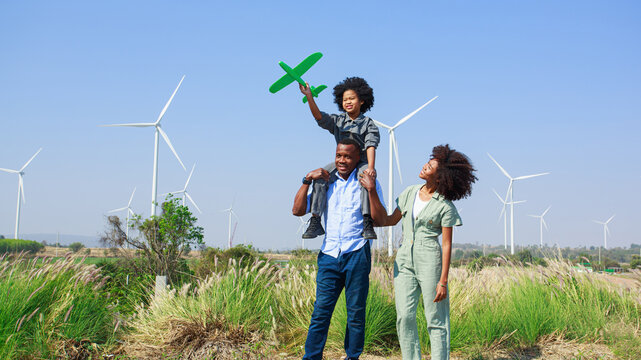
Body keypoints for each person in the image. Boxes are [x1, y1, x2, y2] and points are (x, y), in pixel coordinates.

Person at [360, 144, 477, 360]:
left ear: (440, 177)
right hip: (404, 259)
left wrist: (443, 281)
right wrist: (371, 190)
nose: (424, 166)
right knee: (404, 316)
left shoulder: (445, 206)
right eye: (428, 162)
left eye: (430, 166)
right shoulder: (409, 193)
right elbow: (386, 220)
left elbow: (447, 244)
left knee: (436, 318)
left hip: (430, 259)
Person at [292, 138, 385, 360]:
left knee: (355, 314)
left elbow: (379, 219)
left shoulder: (367, 183)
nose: (341, 160)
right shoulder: (324, 182)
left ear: (357, 158)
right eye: (338, 155)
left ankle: (352, 357)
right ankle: (311, 357)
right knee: (321, 312)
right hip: (329, 255)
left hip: (357, 253)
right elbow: (296, 210)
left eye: (347, 156)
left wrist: (371, 191)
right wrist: (306, 180)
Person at [299, 77, 380, 240]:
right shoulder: (338, 120)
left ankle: (367, 221)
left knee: (365, 178)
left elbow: (371, 145)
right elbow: (319, 117)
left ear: (362, 101)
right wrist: (309, 96)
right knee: (321, 174)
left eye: (351, 98)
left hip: (361, 162)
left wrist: (371, 167)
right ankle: (315, 220)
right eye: (344, 99)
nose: (348, 102)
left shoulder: (368, 123)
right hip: (342, 162)